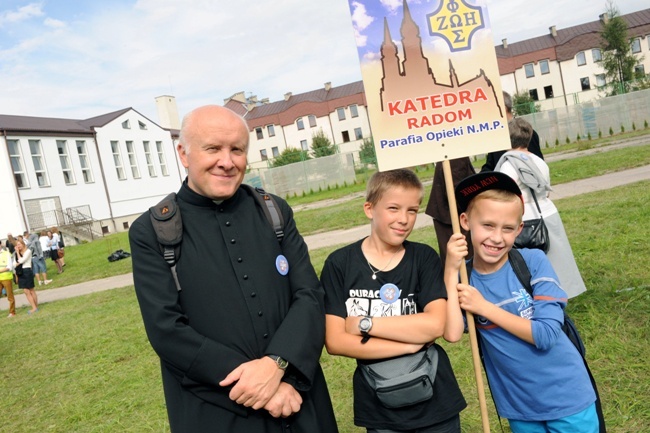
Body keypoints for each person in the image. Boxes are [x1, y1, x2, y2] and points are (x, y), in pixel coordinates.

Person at [128, 105, 338, 433]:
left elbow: (309, 295)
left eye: (237, 150)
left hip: (298, 400)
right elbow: (166, 329)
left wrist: (277, 364)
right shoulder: (151, 231)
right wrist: (261, 385)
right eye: (213, 148)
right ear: (183, 153)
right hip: (218, 409)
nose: (227, 162)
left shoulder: (274, 211)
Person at [444, 171, 598, 433]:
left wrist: (484, 308)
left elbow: (546, 334)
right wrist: (450, 272)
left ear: (519, 229)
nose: (496, 238)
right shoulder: (464, 279)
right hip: (519, 407)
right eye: (488, 225)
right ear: (465, 221)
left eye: (507, 229)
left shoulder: (533, 262)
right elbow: (453, 334)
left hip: (568, 398)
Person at [320, 169, 467, 433]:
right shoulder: (339, 264)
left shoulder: (423, 258)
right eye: (393, 208)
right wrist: (410, 344)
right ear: (369, 208)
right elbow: (335, 341)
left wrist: (364, 324)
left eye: (412, 210)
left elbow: (435, 325)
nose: (404, 219)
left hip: (436, 403)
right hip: (380, 406)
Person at [496, 118, 586, 298]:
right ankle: (559, 293)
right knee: (556, 260)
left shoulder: (508, 165)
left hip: (526, 220)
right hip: (548, 214)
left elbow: (506, 197)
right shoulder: (538, 160)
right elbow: (546, 192)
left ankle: (537, 296)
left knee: (528, 264)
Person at [424, 158, 475, 267]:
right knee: (460, 263)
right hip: (453, 216)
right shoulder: (455, 157)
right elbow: (457, 192)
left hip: (451, 214)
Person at [480, 91, 544, 172]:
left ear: (503, 108)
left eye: (490, 107)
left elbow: (537, 165)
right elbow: (491, 166)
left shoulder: (524, 131)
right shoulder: (497, 135)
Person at [13, 238, 39, 314]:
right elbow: (14, 264)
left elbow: (21, 260)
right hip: (20, 272)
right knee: (26, 291)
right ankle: (34, 307)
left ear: (23, 244)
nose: (18, 246)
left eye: (19, 244)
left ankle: (35, 307)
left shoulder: (28, 251)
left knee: (31, 290)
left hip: (27, 271)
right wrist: (17, 255)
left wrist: (18, 254)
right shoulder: (16, 253)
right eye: (17, 245)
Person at [0, 241, 17, 317]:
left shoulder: (6, 254)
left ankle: (12, 312)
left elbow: (9, 267)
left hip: (6, 277)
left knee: (9, 296)